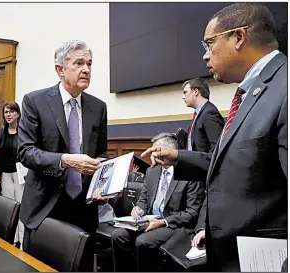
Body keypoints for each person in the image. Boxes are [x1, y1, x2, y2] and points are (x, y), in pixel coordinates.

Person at [141, 3, 287, 271]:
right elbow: (233, 165)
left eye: (209, 44)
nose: (205, 56)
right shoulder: (249, 93)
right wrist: (177, 158)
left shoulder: (284, 88)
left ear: (238, 38)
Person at [17, 40, 108, 269]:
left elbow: (101, 154)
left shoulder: (98, 107)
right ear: (60, 69)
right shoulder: (34, 101)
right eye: (79, 63)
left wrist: (102, 183)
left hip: (84, 207)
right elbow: (26, 152)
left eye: (89, 63)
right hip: (45, 206)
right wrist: (65, 160)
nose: (86, 69)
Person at [111, 133, 205, 272]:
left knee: (143, 242)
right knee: (118, 235)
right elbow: (143, 200)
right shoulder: (152, 171)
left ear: (169, 152)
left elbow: (192, 212)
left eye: (155, 151)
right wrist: (139, 209)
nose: (152, 156)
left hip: (173, 224)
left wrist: (162, 222)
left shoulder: (189, 174)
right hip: (148, 221)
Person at [0, 101, 24, 248]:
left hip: (20, 174)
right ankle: (12, 240)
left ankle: (22, 241)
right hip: (5, 173)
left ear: (18, 114)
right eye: (6, 112)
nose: (8, 115)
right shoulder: (1, 132)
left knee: (21, 206)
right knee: (10, 207)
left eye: (11, 111)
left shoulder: (24, 131)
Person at [182, 78, 224, 152]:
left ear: (195, 91)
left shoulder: (209, 113)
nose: (183, 97)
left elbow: (216, 149)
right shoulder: (200, 112)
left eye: (185, 92)